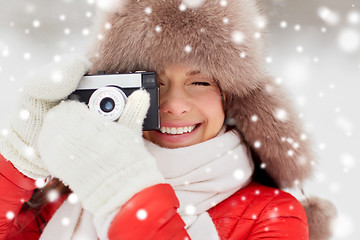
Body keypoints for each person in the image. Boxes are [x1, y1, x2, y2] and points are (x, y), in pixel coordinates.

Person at [0, 0, 336, 239]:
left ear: (230, 98)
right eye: (154, 83)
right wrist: (18, 159)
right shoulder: (71, 196)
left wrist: (126, 195)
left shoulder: (271, 214)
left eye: (200, 82)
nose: (174, 104)